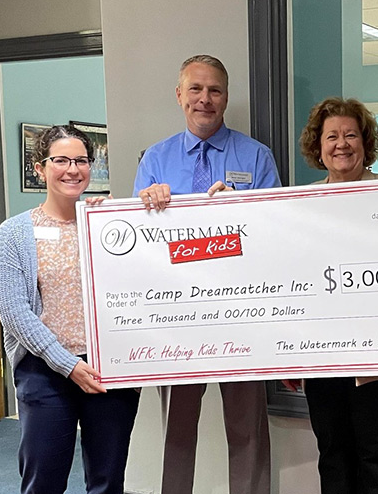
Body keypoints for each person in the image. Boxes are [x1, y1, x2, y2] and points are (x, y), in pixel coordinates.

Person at [133, 54, 281, 494]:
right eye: (195, 89)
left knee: (248, 432)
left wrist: (240, 209)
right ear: (180, 96)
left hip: (242, 315)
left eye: (214, 90)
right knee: (175, 433)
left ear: (226, 97)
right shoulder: (155, 161)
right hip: (177, 320)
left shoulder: (256, 157)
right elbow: (138, 247)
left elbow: (278, 235)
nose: (205, 99)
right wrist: (149, 205)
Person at [0, 125, 139, 494]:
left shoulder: (108, 223)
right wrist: (67, 364)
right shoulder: (13, 234)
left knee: (107, 481)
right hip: (44, 371)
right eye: (60, 160)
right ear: (40, 169)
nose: (72, 169)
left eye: (81, 160)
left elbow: (140, 283)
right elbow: (14, 313)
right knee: (44, 480)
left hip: (107, 369)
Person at [289, 97, 378, 494]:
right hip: (323, 358)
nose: (341, 144)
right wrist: (290, 355)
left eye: (351, 135)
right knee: (332, 455)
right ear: (318, 146)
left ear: (366, 143)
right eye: (331, 136)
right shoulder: (300, 205)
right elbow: (290, 280)